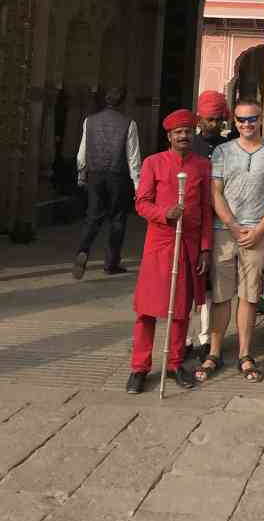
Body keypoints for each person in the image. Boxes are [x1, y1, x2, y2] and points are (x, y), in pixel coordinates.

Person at [195, 100, 264, 385]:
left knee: (249, 296)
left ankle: (245, 354)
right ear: (233, 120)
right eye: (241, 119)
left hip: (258, 232)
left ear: (261, 118)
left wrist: (260, 229)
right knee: (222, 295)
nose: (246, 124)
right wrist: (234, 227)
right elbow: (216, 193)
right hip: (225, 231)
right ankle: (213, 352)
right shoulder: (223, 151)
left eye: (252, 119)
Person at [126, 109, 212, 394]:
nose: (184, 136)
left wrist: (204, 249)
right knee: (147, 310)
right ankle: (139, 368)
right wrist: (165, 213)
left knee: (180, 310)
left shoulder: (202, 166)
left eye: (188, 131)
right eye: (179, 132)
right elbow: (142, 203)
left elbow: (206, 211)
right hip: (160, 243)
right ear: (169, 136)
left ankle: (175, 363)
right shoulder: (153, 163)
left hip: (188, 244)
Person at [73, 87, 141, 279]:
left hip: (95, 174)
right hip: (117, 176)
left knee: (92, 217)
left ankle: (83, 250)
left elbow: (82, 152)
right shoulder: (129, 123)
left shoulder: (90, 121)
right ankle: (111, 263)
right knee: (117, 219)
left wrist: (81, 175)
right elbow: (133, 158)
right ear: (123, 102)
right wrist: (138, 185)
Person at [185, 89, 231, 361]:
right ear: (199, 119)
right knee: (190, 285)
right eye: (209, 120)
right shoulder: (191, 147)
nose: (213, 125)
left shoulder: (230, 145)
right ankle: (186, 338)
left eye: (218, 120)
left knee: (213, 286)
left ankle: (205, 338)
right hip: (195, 225)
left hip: (221, 225)